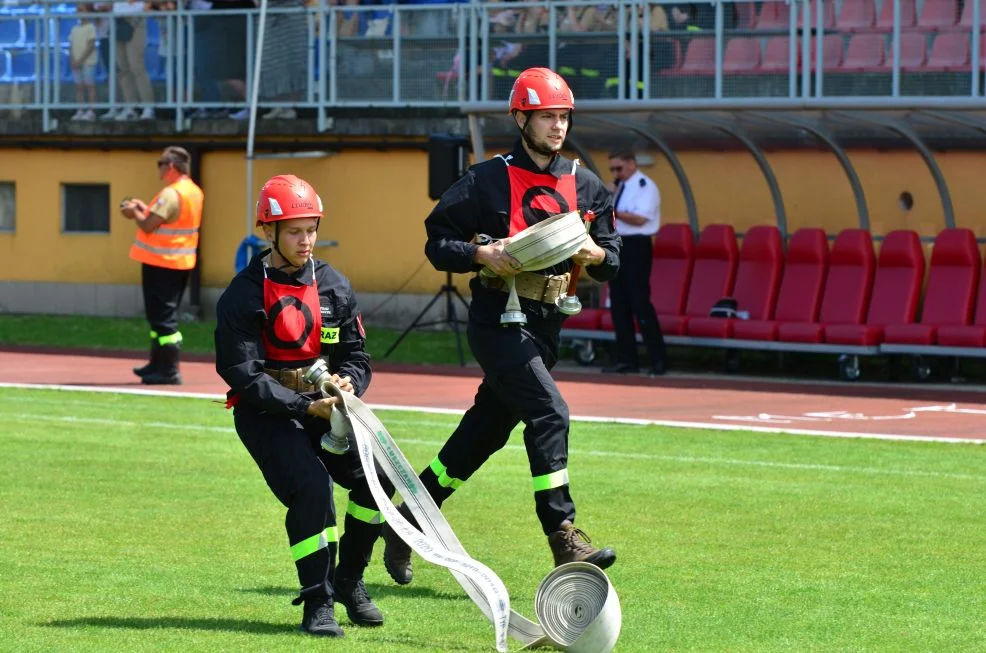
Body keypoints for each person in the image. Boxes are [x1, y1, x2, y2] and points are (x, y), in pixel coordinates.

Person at [380, 67, 621, 586]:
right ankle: (563, 534)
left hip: (549, 323)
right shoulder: (484, 179)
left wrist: (594, 251)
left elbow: (612, 262)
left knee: (476, 442)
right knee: (550, 412)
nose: (557, 126)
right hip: (498, 321)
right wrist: (481, 253)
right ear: (520, 118)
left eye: (563, 116)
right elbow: (437, 242)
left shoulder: (588, 185)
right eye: (546, 117)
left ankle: (402, 526)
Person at [214, 174, 392, 637]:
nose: (305, 240)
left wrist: (349, 385)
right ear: (267, 231)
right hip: (267, 414)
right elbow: (242, 374)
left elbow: (355, 355)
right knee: (314, 489)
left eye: (311, 228)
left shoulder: (334, 285)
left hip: (326, 410)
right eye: (294, 230)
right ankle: (318, 602)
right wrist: (301, 407)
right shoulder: (242, 293)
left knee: (377, 483)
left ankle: (349, 583)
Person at [120, 146, 203, 385]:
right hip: (179, 261)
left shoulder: (171, 193)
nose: (158, 168)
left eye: (160, 163)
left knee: (163, 318)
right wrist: (143, 209)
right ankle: (157, 364)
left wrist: (133, 213)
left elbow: (148, 225)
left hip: (162, 262)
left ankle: (169, 370)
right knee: (160, 316)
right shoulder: (193, 191)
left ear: (171, 167)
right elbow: (169, 220)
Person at [603, 148, 668, 377]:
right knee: (619, 305)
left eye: (619, 168)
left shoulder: (644, 186)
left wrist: (613, 211)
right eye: (612, 169)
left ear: (632, 163)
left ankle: (657, 359)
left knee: (640, 303)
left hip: (637, 245)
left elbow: (640, 219)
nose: (615, 173)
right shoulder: (620, 186)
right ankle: (626, 359)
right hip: (618, 243)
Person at [69, 4, 98, 121]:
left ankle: (91, 111)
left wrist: (81, 60)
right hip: (76, 63)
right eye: (77, 10)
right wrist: (73, 60)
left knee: (90, 86)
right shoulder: (74, 29)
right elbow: (71, 46)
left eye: (81, 10)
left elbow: (91, 45)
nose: (78, 12)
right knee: (79, 87)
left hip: (88, 62)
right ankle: (80, 109)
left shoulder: (91, 27)